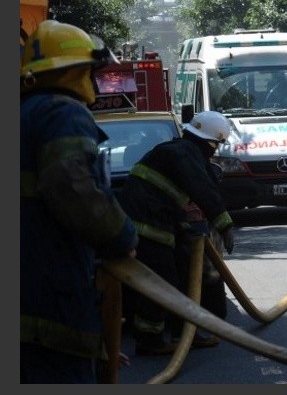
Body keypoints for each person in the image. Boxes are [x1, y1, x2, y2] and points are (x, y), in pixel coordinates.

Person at [20, 20, 139, 383]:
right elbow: (73, 189)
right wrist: (123, 237)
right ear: (77, 71)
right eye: (91, 70)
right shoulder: (63, 114)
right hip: (50, 310)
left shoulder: (24, 114)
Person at [119, 110, 236, 355]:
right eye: (216, 145)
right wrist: (224, 224)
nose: (215, 151)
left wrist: (183, 226)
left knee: (181, 277)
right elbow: (203, 189)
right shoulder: (184, 154)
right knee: (163, 283)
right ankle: (149, 341)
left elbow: (170, 196)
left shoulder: (178, 151)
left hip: (155, 220)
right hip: (147, 225)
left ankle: (184, 334)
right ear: (210, 142)